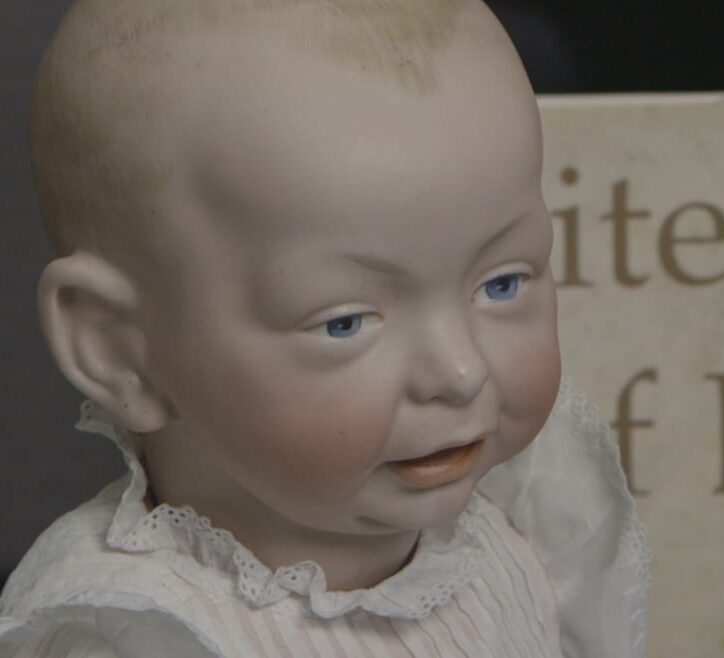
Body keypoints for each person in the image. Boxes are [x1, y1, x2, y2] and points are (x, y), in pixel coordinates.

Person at [0, 1, 648, 655]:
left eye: (501, 283)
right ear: (116, 350)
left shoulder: (531, 535)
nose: (462, 370)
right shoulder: (137, 635)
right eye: (345, 323)